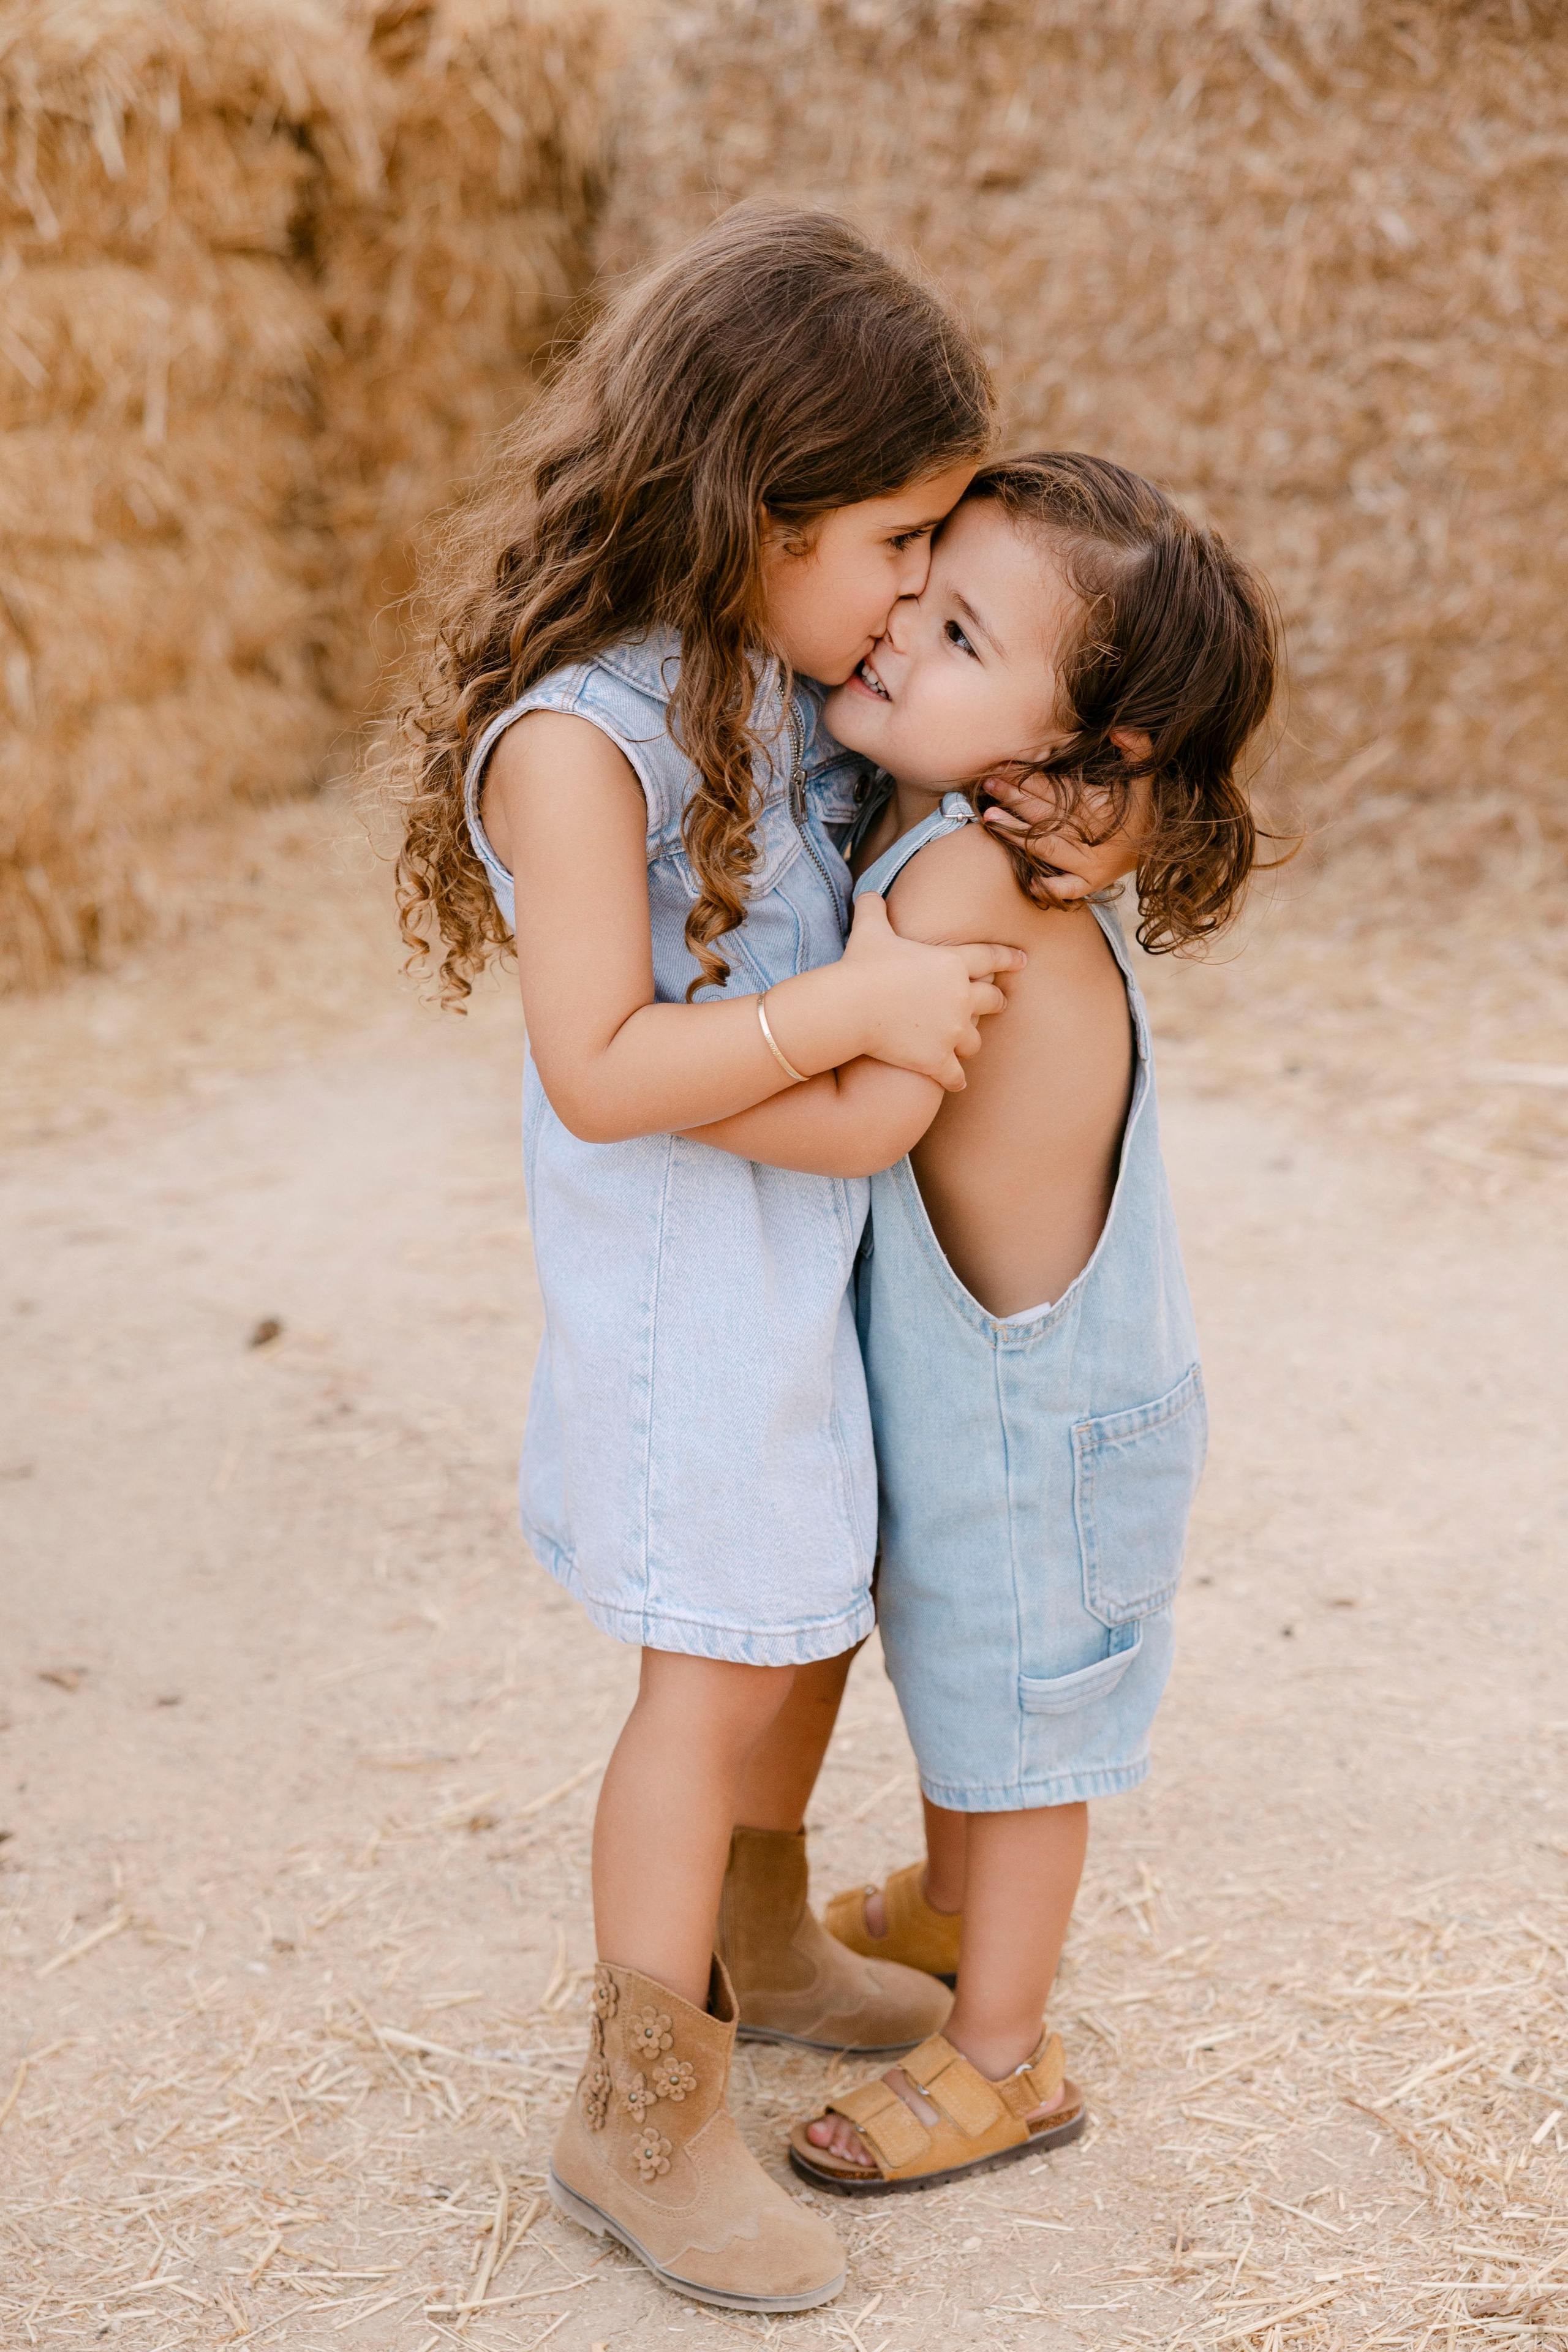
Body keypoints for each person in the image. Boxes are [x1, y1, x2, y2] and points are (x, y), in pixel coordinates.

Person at [394, 203, 1029, 2308]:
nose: (918, 588)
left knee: (804, 1615)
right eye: (901, 539)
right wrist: (853, 1025)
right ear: (761, 506)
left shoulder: (776, 683)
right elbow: (599, 1067)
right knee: (709, 1673)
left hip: (790, 1261)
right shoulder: (582, 747)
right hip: (684, 1297)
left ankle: (759, 1940)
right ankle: (643, 2111)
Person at [686, 450, 1280, 2193]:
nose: (895, 632)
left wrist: (638, 1089)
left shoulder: (960, 882)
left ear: (1079, 752)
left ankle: (1007, 2056)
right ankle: (955, 1915)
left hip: (1042, 1407)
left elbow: (856, 1120)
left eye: (959, 633)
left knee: (1018, 1729)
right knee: (963, 1671)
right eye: (916, 585)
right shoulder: (964, 829)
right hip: (993, 1387)